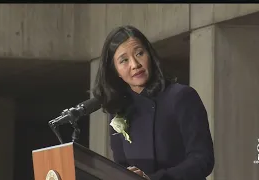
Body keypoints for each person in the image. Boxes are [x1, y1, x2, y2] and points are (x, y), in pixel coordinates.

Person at [92, 25, 214, 180]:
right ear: (115, 71)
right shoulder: (119, 111)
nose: (135, 64)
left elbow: (202, 159)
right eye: (124, 60)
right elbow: (121, 166)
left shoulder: (181, 96)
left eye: (139, 53)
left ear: (149, 54)